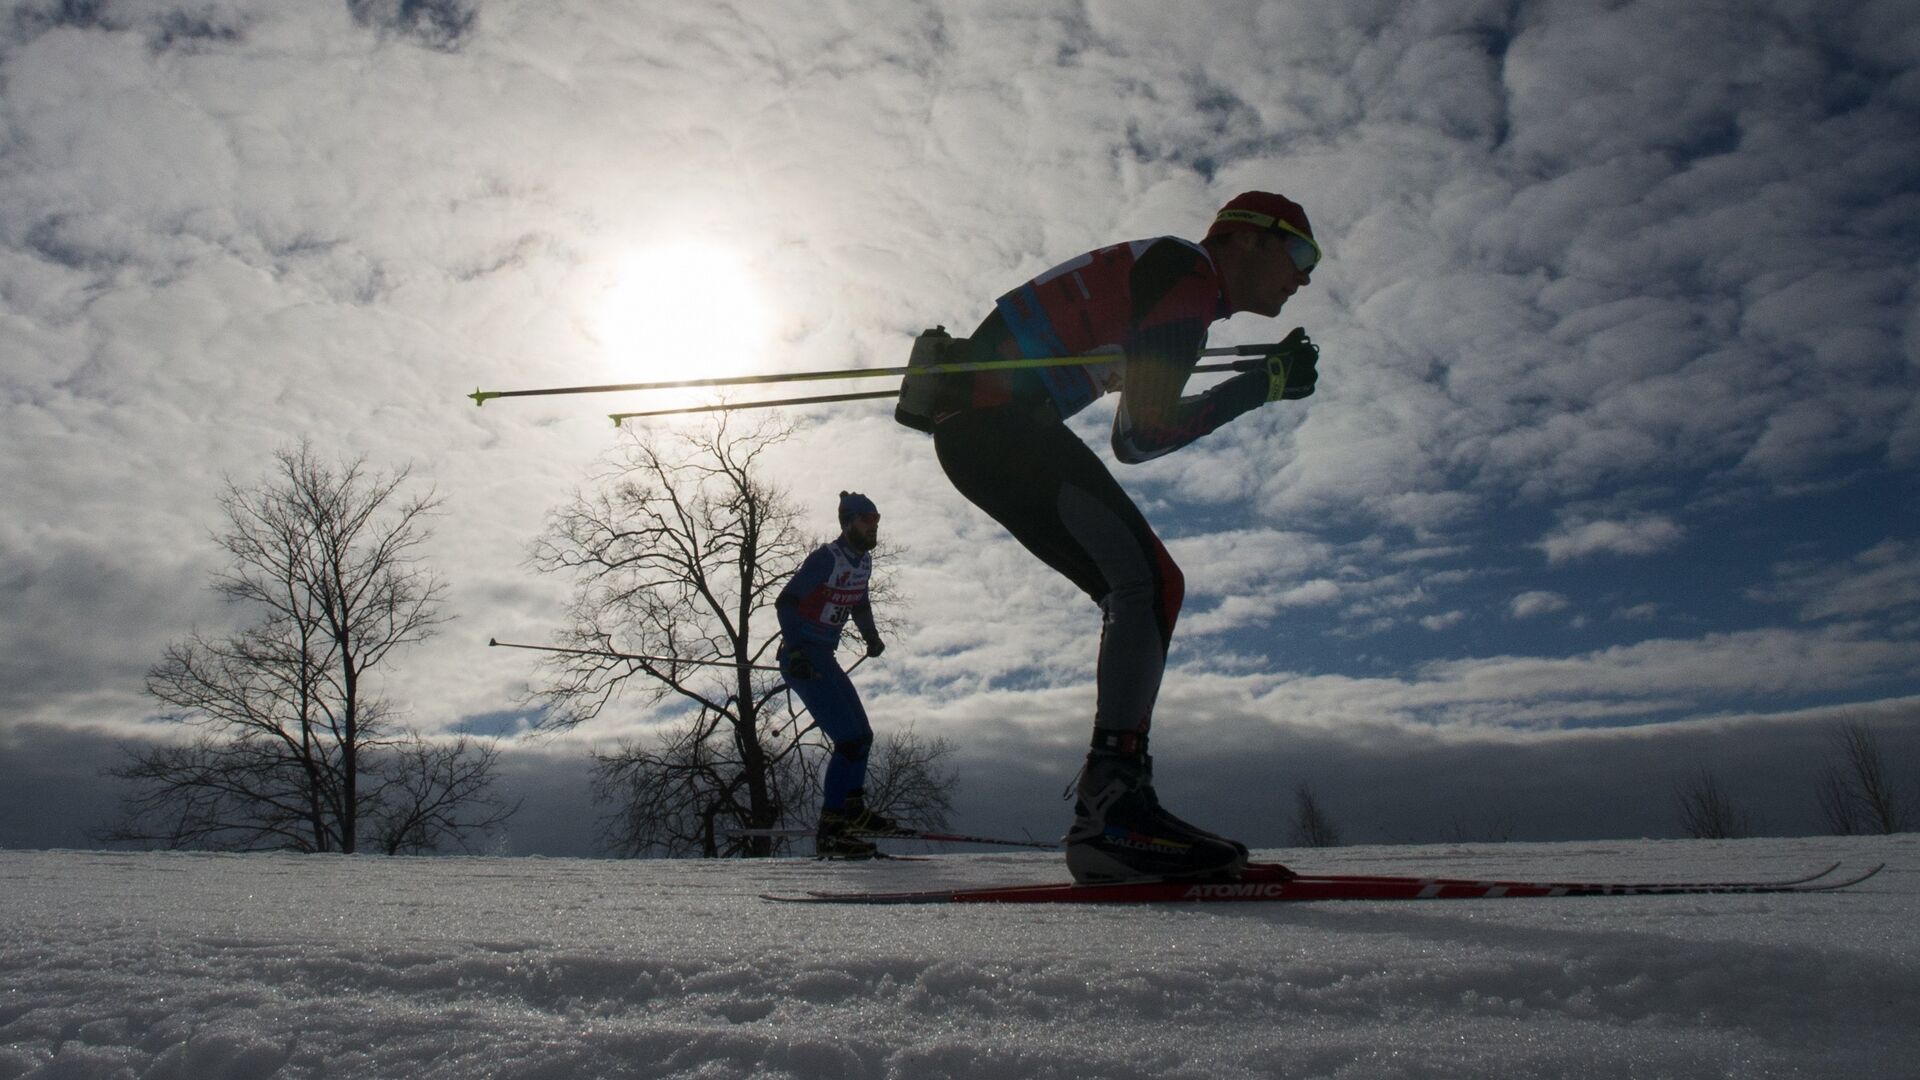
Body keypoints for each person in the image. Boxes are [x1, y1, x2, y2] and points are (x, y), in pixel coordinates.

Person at [904, 191, 1323, 883]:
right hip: (999, 428)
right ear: (1247, 238)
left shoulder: (1173, 276)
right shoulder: (1189, 278)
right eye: (1301, 253)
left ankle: (1114, 803)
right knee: (1151, 585)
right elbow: (1141, 435)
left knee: (1141, 588)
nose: (1305, 277)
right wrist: (1261, 388)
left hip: (984, 429)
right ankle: (1113, 811)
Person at [775, 490, 901, 858]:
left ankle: (852, 811)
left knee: (862, 737)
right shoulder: (825, 558)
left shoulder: (862, 563)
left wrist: (871, 635)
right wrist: (796, 648)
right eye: (866, 520)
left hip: (824, 657)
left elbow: (859, 600)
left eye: (876, 520)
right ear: (848, 523)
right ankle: (831, 829)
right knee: (849, 739)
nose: (873, 527)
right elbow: (787, 601)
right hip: (804, 658)